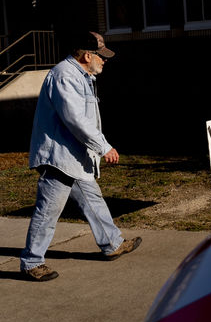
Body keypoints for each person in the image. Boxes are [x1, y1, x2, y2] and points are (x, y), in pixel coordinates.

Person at [20, 31, 141, 282]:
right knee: (48, 211)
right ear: (87, 55)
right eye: (101, 56)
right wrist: (103, 146)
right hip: (59, 157)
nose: (104, 60)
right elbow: (75, 119)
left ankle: (112, 243)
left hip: (75, 156)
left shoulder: (81, 76)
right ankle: (32, 262)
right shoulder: (64, 76)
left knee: (93, 200)